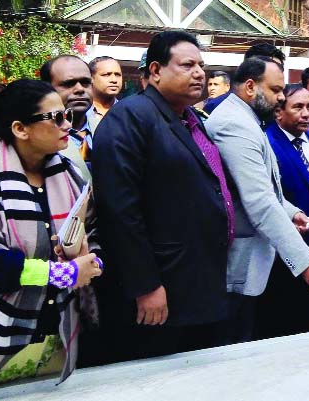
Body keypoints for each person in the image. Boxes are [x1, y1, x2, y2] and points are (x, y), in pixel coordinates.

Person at [0, 79, 102, 398]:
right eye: (56, 118)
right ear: (20, 128)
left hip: (58, 328)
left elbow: (91, 228)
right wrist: (63, 273)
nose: (66, 124)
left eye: (67, 115)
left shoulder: (68, 173)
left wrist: (92, 260)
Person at [92, 31, 233, 362]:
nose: (199, 73)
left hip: (197, 279)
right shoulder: (130, 117)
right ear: (155, 70)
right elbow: (120, 211)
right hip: (161, 287)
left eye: (201, 65)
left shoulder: (190, 118)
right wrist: (145, 285)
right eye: (187, 65)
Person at [206, 56, 309, 344]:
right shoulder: (234, 125)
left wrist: (295, 213)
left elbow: (268, 191)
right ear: (250, 87)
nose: (281, 97)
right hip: (238, 265)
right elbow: (259, 201)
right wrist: (305, 260)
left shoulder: (247, 120)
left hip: (253, 262)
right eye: (275, 90)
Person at [256, 84, 309, 339]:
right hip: (285, 256)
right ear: (279, 112)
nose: (306, 114)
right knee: (287, 327)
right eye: (298, 107)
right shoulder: (268, 144)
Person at [40, 55, 96, 172]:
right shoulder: (36, 138)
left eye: (86, 82)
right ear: (46, 88)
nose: (80, 89)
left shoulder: (108, 129)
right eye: (69, 84)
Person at [87, 56, 122, 124]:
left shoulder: (128, 112)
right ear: (91, 78)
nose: (114, 80)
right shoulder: (80, 111)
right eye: (106, 75)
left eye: (117, 75)